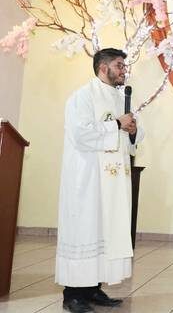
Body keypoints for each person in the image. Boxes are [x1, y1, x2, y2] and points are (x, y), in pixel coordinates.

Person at [56, 48, 143, 313]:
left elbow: (130, 138)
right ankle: (73, 295)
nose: (123, 70)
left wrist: (133, 129)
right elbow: (81, 134)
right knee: (85, 230)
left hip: (112, 182)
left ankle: (93, 288)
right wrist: (117, 124)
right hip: (87, 179)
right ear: (103, 68)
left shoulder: (119, 97)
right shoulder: (82, 97)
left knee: (104, 231)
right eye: (119, 65)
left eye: (124, 66)